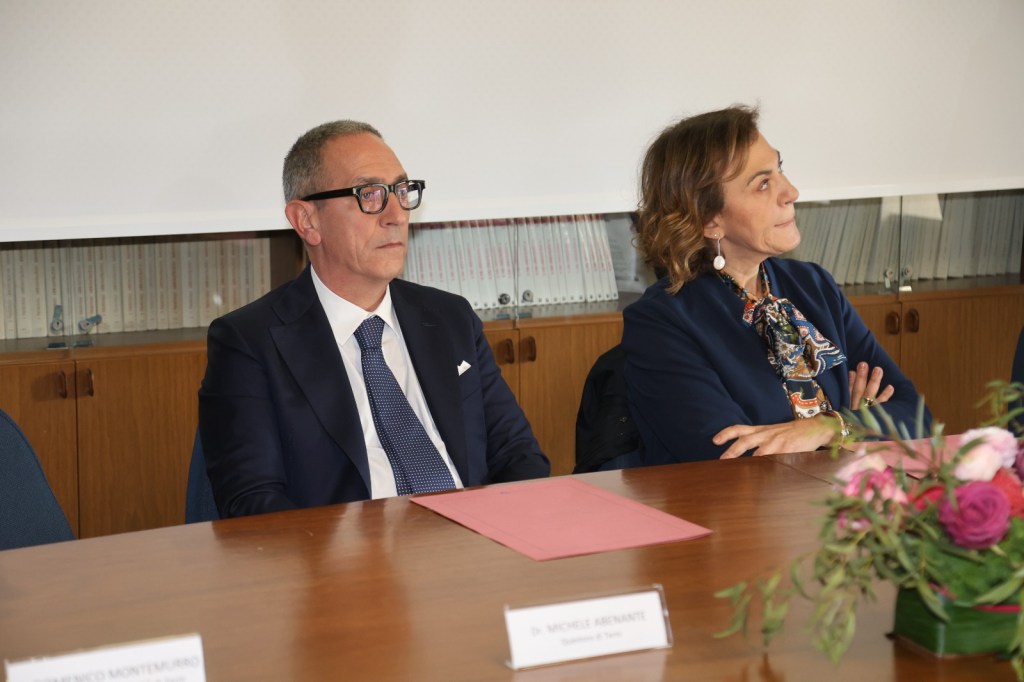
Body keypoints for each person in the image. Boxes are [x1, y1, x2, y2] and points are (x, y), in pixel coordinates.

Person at [199, 120, 549, 517]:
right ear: (306, 221)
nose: (396, 215)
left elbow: (518, 454)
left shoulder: (449, 317)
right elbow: (252, 502)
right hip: (346, 565)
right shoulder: (249, 342)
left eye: (401, 191)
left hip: (474, 548)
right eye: (370, 195)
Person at [622, 106, 929, 464]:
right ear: (710, 221)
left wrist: (830, 427)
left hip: (844, 510)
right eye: (763, 184)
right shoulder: (661, 323)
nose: (792, 192)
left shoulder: (814, 285)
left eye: (780, 169)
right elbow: (735, 462)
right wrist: (863, 422)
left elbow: (915, 418)